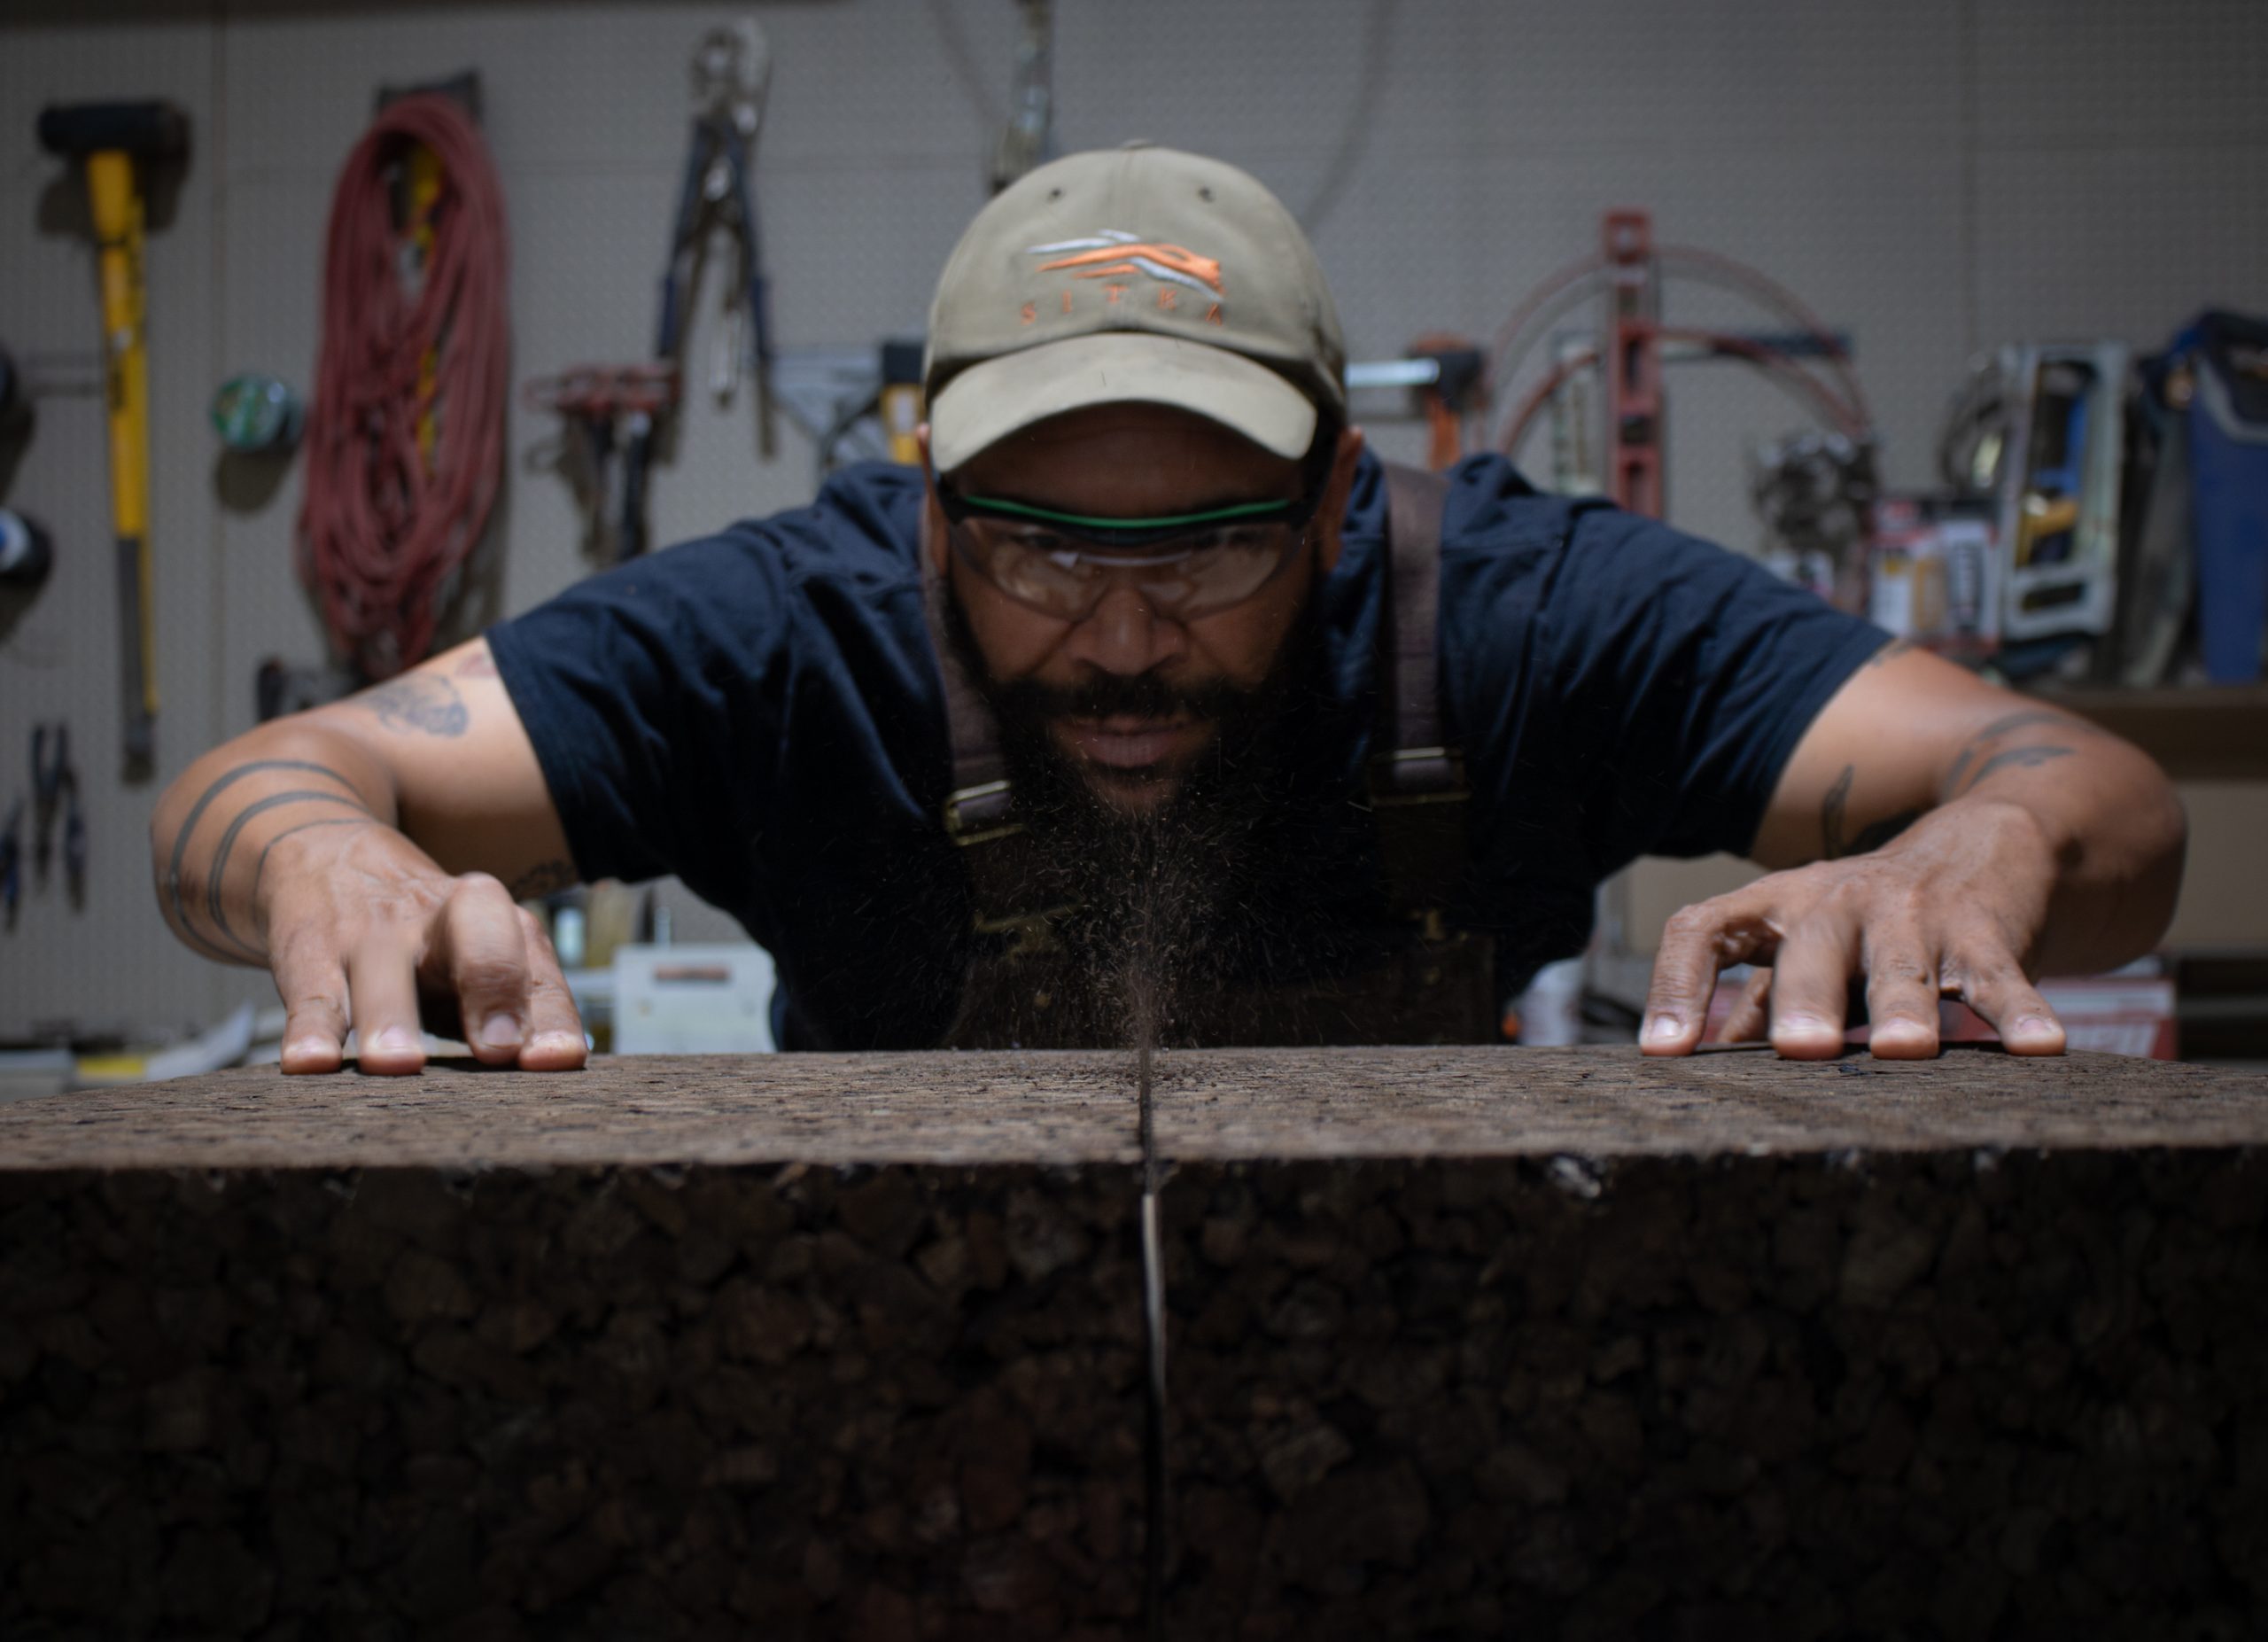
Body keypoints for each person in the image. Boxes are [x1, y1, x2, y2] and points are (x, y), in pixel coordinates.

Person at [151, 144, 2186, 1073]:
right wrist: (328, 857)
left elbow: (2093, 796)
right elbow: (253, 785)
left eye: (1208, 547)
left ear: (1330, 501)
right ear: (928, 500)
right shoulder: (784, 633)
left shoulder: (1518, 611)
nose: (1120, 639)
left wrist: (1970, 847)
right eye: (1038, 548)